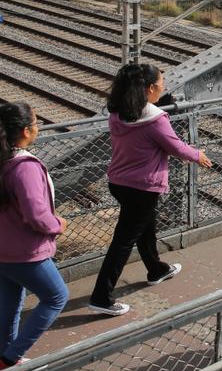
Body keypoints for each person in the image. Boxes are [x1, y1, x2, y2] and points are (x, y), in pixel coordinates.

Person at [89, 63, 212, 316]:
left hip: (119, 182)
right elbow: (176, 147)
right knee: (123, 242)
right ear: (149, 89)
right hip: (142, 187)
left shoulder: (118, 113)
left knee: (145, 228)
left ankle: (157, 269)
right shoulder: (155, 119)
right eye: (160, 86)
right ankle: (101, 296)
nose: (163, 90)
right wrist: (197, 154)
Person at [0, 102, 68, 371]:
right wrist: (58, 225)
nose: (37, 128)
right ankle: (8, 360)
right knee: (56, 297)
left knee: (10, 304)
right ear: (25, 131)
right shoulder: (25, 168)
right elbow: (37, 216)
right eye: (36, 124)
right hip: (22, 252)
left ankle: (8, 360)